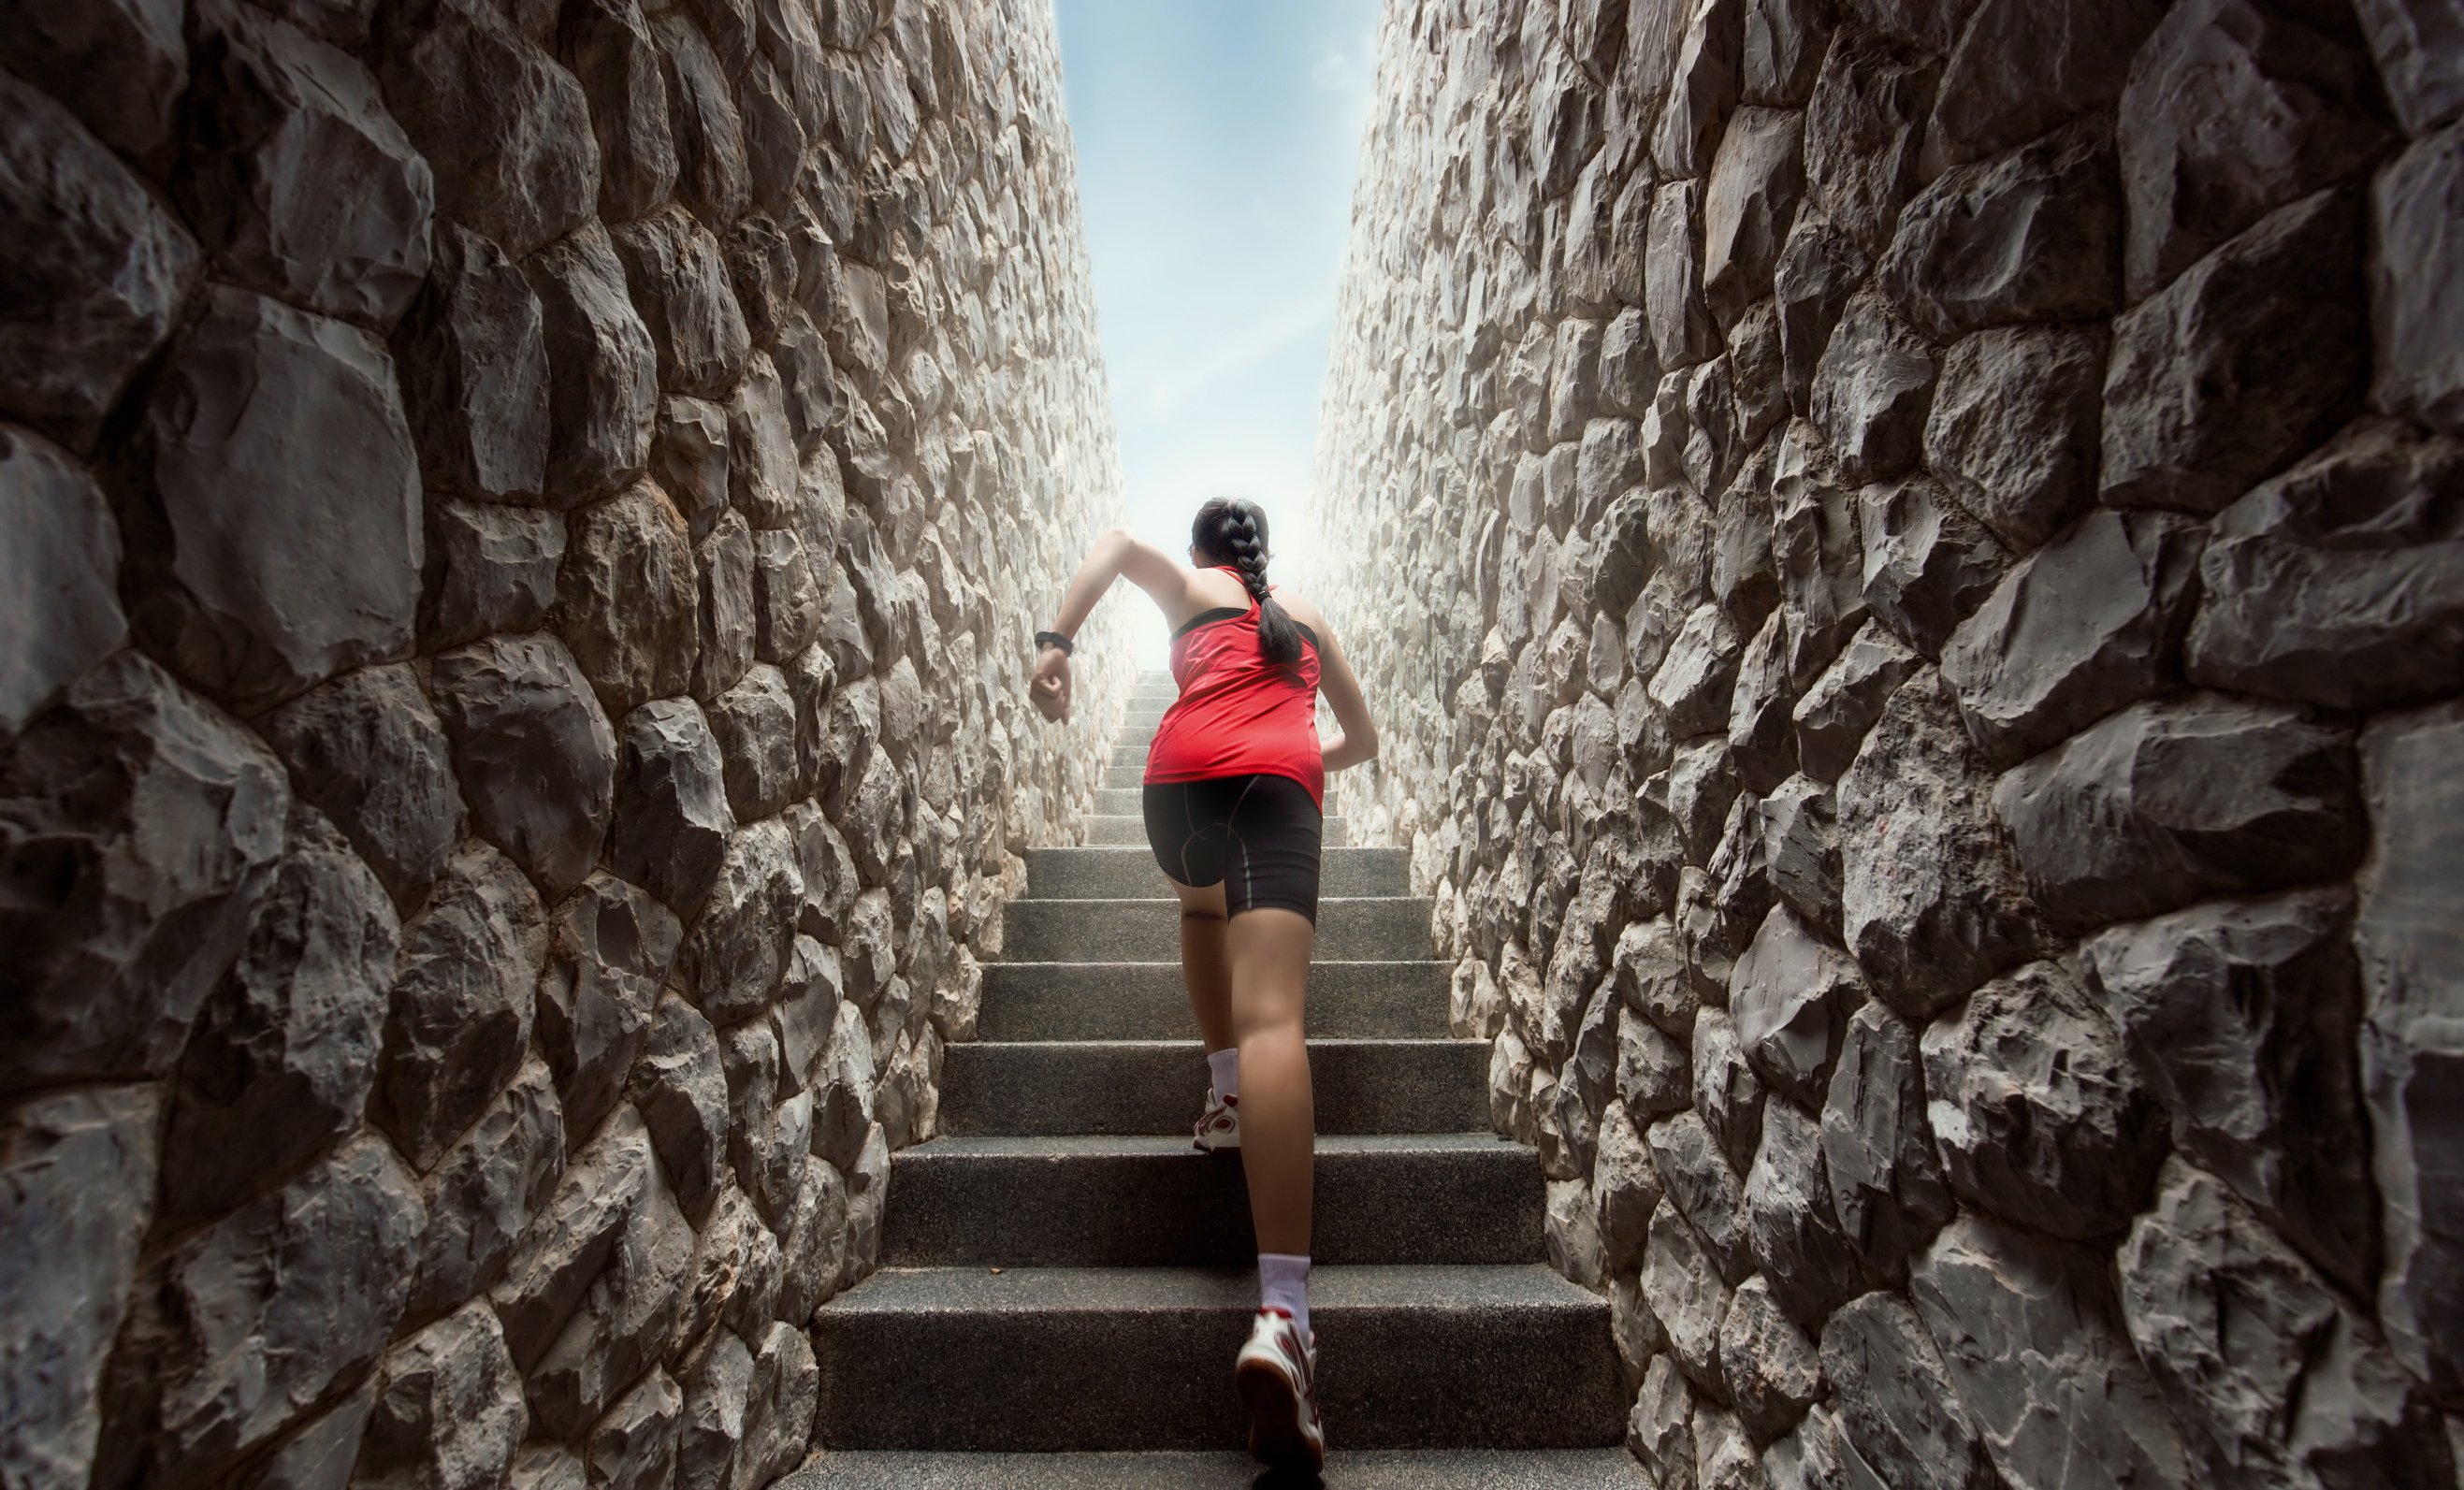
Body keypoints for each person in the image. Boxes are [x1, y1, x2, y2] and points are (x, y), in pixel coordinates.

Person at [1029, 497, 1378, 1474]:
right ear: (1263, 552)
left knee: (1200, 908)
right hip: (1277, 784)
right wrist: (1298, 757)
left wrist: (1056, 644)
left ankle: (1223, 1089)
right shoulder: (1303, 619)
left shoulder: (1185, 590)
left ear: (1200, 552)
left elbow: (1110, 543)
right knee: (1279, 1019)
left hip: (1175, 790)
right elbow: (1364, 739)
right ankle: (1283, 1318)